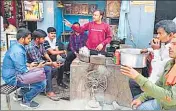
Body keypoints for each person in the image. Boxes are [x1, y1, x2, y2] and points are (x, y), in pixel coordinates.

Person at [120, 36, 176, 110]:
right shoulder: (170, 63)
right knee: (139, 105)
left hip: (170, 105)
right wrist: (142, 98)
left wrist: (138, 77)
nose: (170, 47)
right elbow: (159, 84)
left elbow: (171, 98)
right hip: (162, 102)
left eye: (174, 44)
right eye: (171, 44)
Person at [129, 20, 176, 98]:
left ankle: (141, 102)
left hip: (161, 85)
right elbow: (161, 50)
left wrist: (155, 50)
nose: (157, 36)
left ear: (170, 35)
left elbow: (158, 70)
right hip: (155, 79)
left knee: (135, 82)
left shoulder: (171, 52)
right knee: (133, 81)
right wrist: (149, 49)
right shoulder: (165, 44)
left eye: (160, 33)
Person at [2, 28, 46, 108]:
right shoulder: (18, 51)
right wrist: (37, 67)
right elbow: (23, 70)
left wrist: (29, 65)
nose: (30, 40)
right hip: (13, 78)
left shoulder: (17, 46)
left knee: (39, 74)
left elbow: (19, 63)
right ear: (22, 39)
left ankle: (20, 94)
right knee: (42, 83)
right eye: (28, 38)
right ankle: (26, 100)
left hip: (14, 74)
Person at [25, 29, 61, 101]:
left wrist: (52, 63)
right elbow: (38, 62)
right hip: (31, 66)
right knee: (48, 69)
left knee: (54, 69)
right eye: (43, 38)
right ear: (37, 39)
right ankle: (49, 91)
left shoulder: (40, 44)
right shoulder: (31, 47)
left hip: (39, 63)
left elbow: (45, 53)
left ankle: (44, 87)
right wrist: (51, 64)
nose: (44, 40)